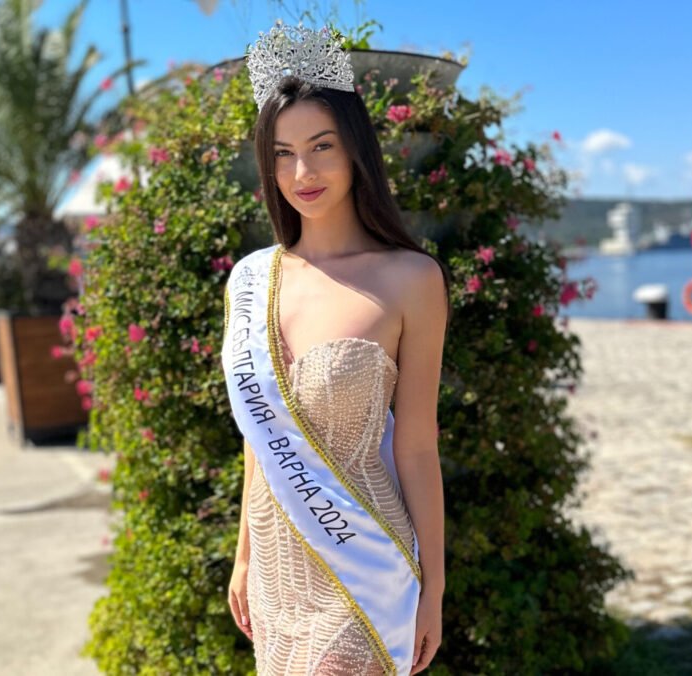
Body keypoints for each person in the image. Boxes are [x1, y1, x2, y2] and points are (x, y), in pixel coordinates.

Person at [221, 20, 449, 676]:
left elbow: (417, 445)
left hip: (362, 563)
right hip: (275, 570)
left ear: (355, 149)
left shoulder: (411, 279)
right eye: (283, 153)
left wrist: (433, 587)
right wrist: (243, 556)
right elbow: (260, 439)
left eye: (321, 146)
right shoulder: (250, 281)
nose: (303, 172)